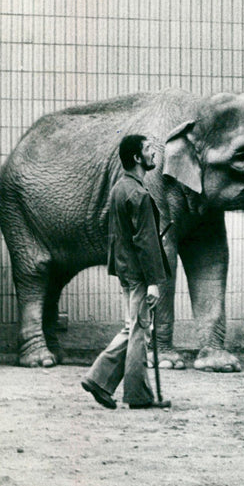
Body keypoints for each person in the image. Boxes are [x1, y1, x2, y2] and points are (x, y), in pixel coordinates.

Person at [81, 134, 172, 410]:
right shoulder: (139, 194)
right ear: (137, 158)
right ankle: (136, 394)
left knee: (132, 327)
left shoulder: (120, 189)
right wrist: (154, 282)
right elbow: (144, 242)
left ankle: (99, 379)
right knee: (139, 331)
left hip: (125, 271)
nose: (153, 154)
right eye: (148, 150)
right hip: (140, 275)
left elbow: (124, 237)